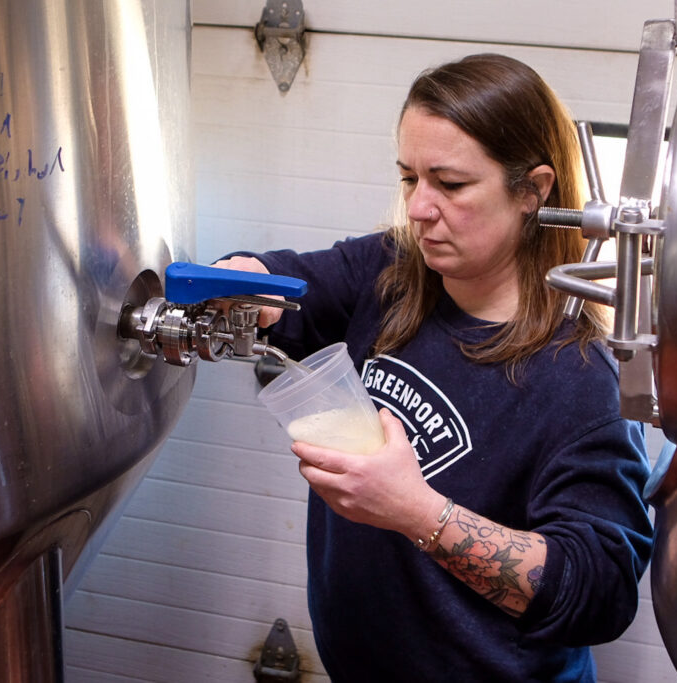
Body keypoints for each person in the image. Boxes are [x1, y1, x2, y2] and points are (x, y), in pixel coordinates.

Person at [216, 53, 653, 683]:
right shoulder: (391, 272)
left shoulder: (579, 377)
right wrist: (241, 279)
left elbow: (599, 589)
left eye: (449, 184)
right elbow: (287, 284)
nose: (419, 208)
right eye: (409, 178)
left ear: (532, 191)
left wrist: (417, 511)